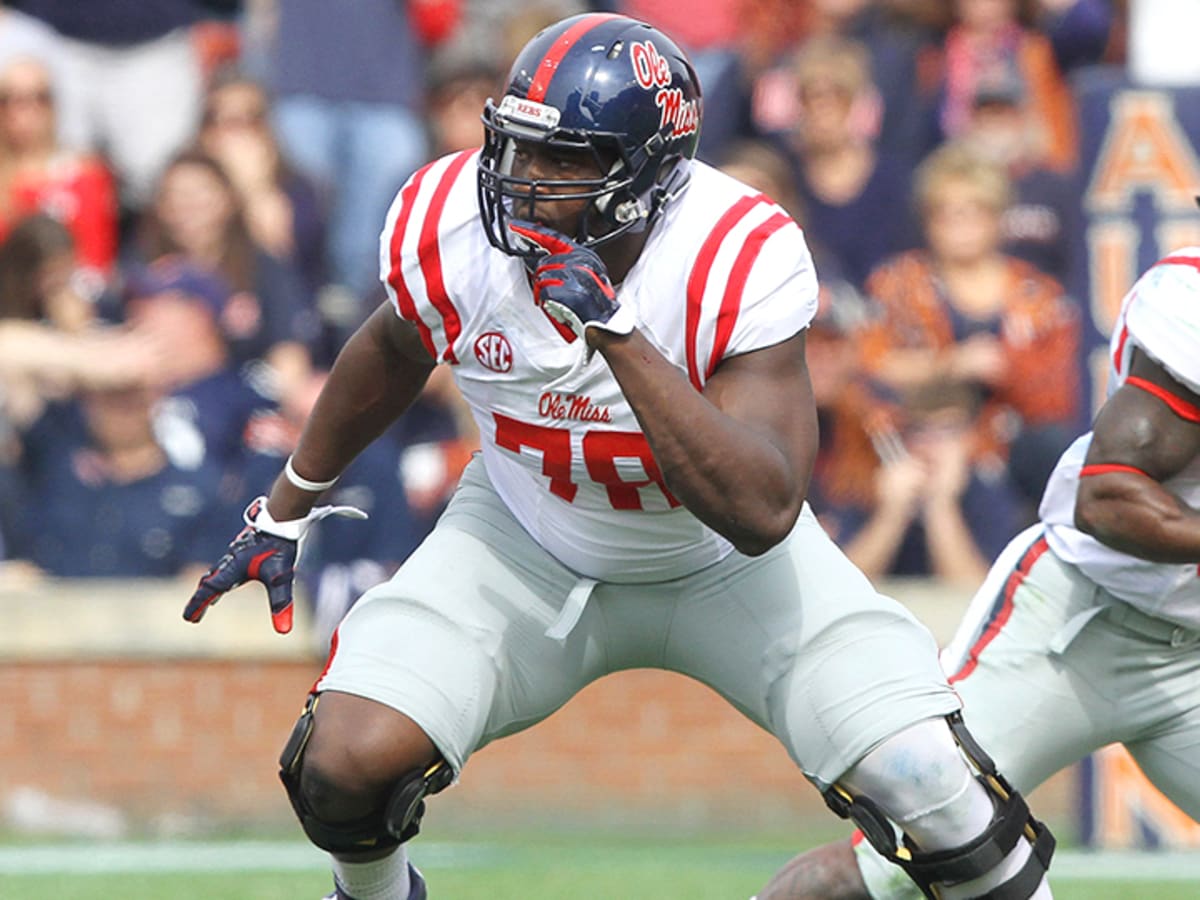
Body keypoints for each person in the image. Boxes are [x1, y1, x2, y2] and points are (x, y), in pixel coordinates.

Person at [183, 15, 1056, 900]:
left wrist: (619, 333)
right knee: (339, 764)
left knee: (931, 781)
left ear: (647, 175)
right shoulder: (450, 223)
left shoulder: (735, 252)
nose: (522, 181)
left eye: (564, 160)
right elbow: (394, 345)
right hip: (525, 530)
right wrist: (286, 505)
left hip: (717, 561)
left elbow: (762, 511)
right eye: (516, 147)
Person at [752, 244, 1200, 898]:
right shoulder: (1188, 303)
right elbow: (1108, 495)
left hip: (1188, 652)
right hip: (1075, 626)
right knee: (894, 864)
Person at [852, 142, 1081, 572]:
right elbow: (870, 362)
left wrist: (1010, 372)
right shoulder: (899, 283)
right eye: (946, 212)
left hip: (1005, 447)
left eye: (973, 211)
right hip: (909, 438)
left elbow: (1058, 396)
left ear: (997, 217)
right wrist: (952, 363)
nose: (959, 225)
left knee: (1054, 449)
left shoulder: (1038, 297)